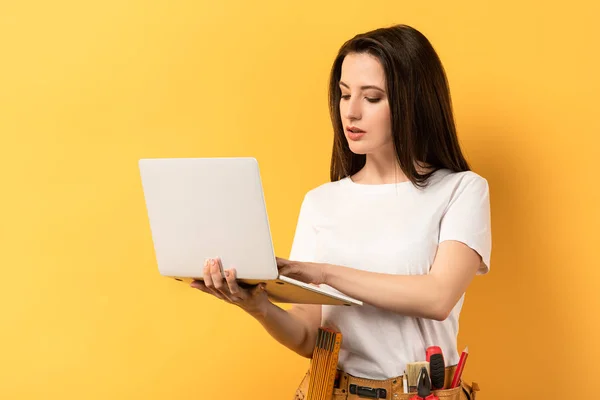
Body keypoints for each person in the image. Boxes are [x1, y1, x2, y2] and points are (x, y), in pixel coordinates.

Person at [191, 24, 491, 399]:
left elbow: (437, 297)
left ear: (413, 101)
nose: (351, 112)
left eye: (373, 97)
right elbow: (308, 336)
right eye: (344, 94)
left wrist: (324, 273)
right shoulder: (321, 202)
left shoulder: (461, 190)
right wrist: (259, 306)